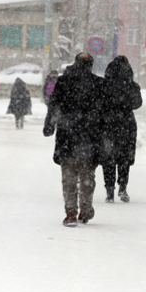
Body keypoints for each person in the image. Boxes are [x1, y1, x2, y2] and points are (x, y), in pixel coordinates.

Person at [43, 52, 104, 227]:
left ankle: (71, 212)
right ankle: (85, 209)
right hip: (90, 138)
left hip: (67, 136)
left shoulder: (63, 82)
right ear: (92, 66)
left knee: (68, 176)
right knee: (87, 175)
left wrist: (49, 125)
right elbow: (105, 113)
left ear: (75, 64)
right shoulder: (98, 84)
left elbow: (53, 105)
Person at [100, 55, 142, 203]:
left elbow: (98, 103)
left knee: (108, 158)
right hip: (126, 124)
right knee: (124, 157)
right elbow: (137, 104)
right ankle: (122, 188)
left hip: (108, 125)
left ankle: (109, 191)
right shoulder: (132, 86)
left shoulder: (103, 85)